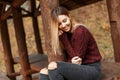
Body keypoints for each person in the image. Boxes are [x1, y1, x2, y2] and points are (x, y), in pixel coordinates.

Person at [39, 6, 102, 80]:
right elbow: (70, 61)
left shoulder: (80, 31)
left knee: (53, 66)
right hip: (79, 69)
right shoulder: (66, 34)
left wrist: (64, 40)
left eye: (64, 20)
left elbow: (77, 61)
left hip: (92, 69)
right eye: (59, 24)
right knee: (43, 72)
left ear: (69, 16)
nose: (63, 25)